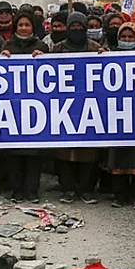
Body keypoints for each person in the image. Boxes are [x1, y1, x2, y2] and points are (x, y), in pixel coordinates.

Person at [53, 11, 102, 203]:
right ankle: (68, 189)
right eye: (72, 26)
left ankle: (87, 189)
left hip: (90, 107)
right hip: (64, 107)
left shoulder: (95, 48)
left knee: (89, 151)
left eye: (80, 27)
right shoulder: (57, 48)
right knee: (64, 152)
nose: (76, 30)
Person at [103, 22, 135, 208]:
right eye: (123, 37)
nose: (126, 40)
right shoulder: (110, 55)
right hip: (116, 114)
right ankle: (120, 196)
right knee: (117, 155)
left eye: (130, 37)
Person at [0, 13, 48, 201]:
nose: (23, 28)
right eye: (20, 24)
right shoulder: (7, 46)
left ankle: (32, 190)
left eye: (27, 24)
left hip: (36, 108)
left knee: (34, 154)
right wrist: (1, 59)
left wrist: (44, 59)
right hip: (12, 108)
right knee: (13, 153)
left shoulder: (41, 46)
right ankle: (17, 190)